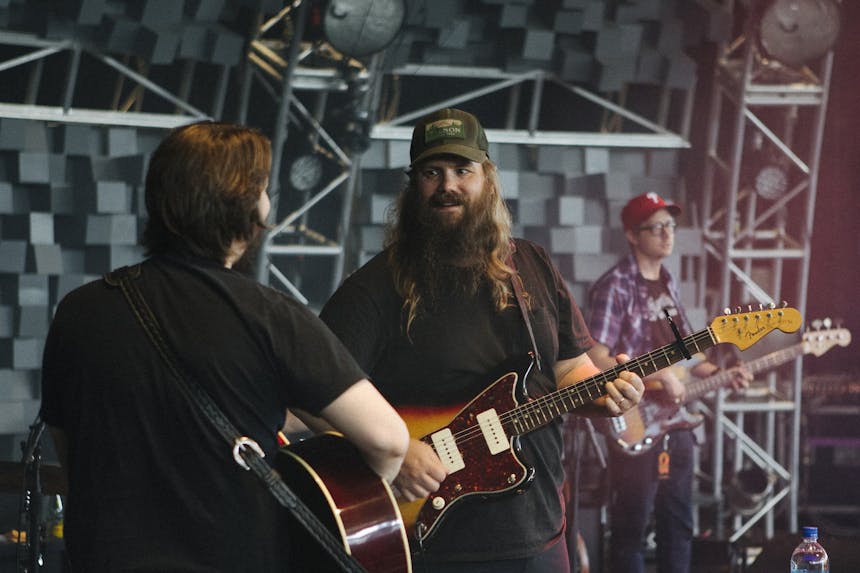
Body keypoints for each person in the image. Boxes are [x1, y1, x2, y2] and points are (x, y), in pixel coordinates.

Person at [39, 121, 409, 572]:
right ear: (246, 207)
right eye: (264, 190)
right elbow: (389, 441)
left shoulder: (79, 311)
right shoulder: (269, 315)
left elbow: (72, 450)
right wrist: (356, 502)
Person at [319, 108, 645, 572]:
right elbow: (312, 396)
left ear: (488, 179)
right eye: (432, 172)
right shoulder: (376, 286)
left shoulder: (531, 265)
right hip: (440, 541)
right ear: (414, 187)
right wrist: (391, 451)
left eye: (462, 170)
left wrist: (609, 391)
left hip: (541, 530)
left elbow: (570, 369)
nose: (447, 185)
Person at [585, 192, 752, 573]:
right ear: (632, 234)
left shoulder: (668, 282)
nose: (667, 234)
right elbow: (595, 358)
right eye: (656, 227)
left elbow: (686, 353)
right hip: (635, 419)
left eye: (671, 226)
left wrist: (719, 374)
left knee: (679, 524)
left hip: (676, 422)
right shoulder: (615, 286)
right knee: (631, 531)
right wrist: (657, 375)